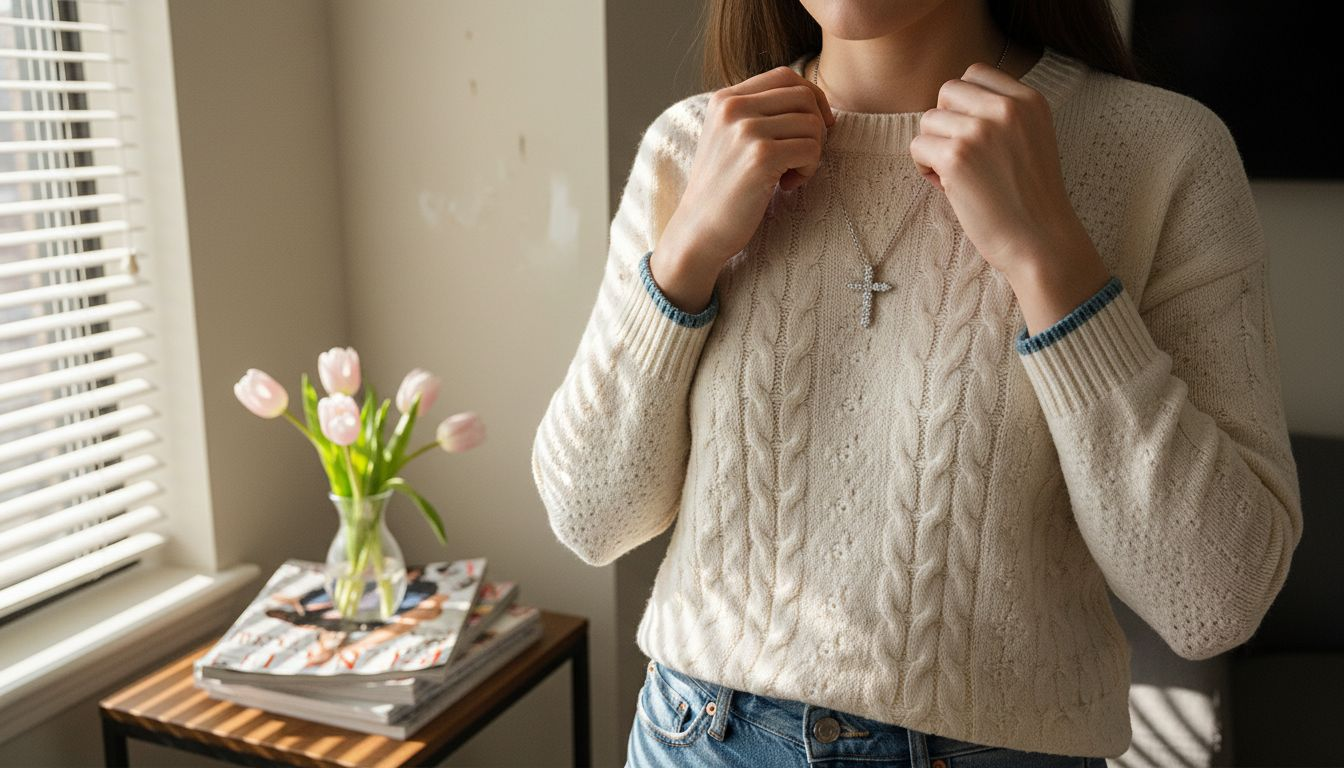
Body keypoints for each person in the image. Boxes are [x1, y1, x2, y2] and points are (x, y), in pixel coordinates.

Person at [530, 0, 1303, 765]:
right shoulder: (695, 144)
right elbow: (590, 517)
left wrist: (1049, 258)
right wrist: (686, 255)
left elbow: (1215, 599)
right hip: (698, 738)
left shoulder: (1161, 151)